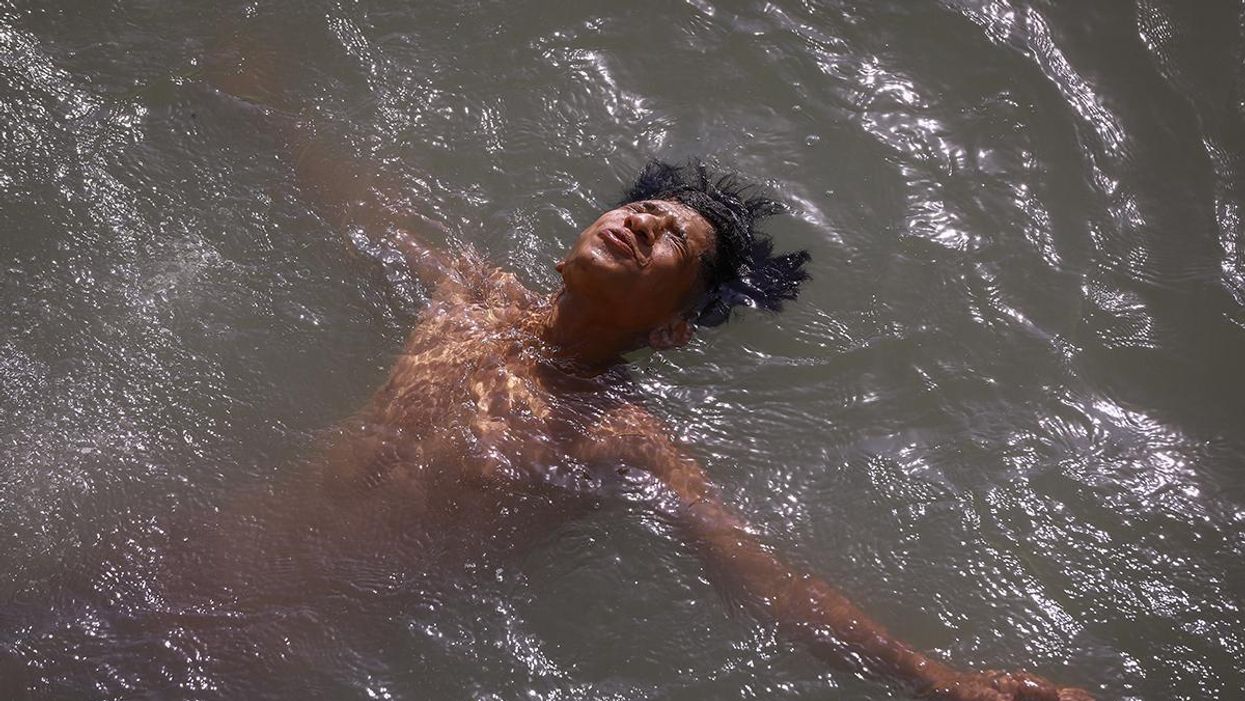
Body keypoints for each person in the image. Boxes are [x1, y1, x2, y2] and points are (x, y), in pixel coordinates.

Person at [210, 53, 1092, 701]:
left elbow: (761, 578)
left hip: (289, 648)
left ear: (671, 330)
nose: (640, 218)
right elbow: (356, 210)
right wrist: (269, 106)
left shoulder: (617, 434)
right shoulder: (469, 296)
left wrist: (939, 678)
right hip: (200, 555)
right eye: (640, 206)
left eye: (674, 237)